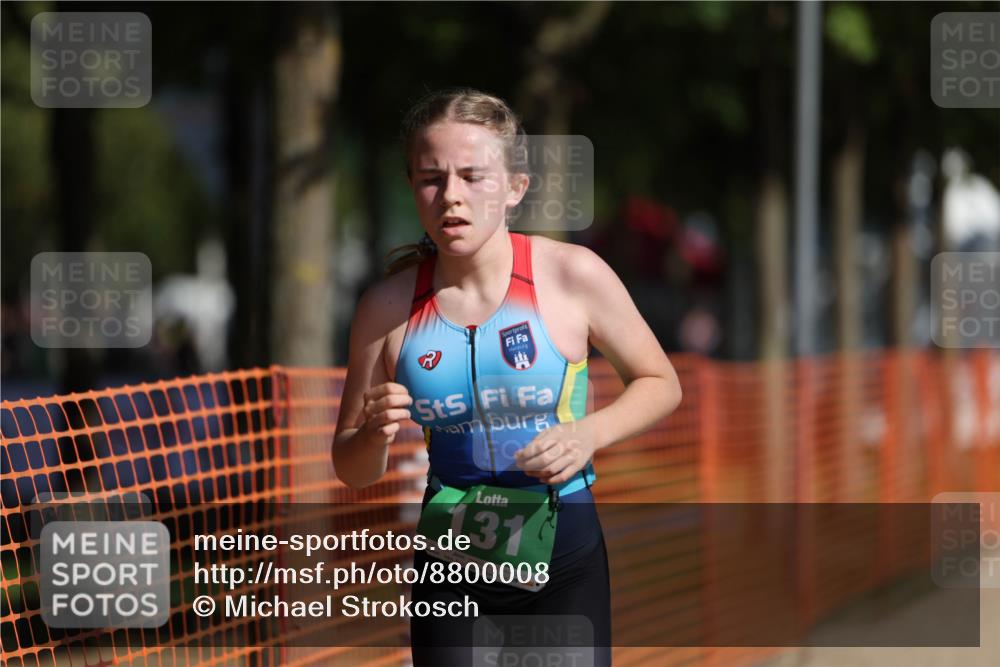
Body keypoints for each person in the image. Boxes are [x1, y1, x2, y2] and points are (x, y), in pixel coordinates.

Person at [332, 88, 682, 666]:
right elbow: (352, 468)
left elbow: (660, 382)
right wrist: (373, 434)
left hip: (562, 552)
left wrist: (589, 434)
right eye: (430, 178)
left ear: (516, 187)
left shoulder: (572, 275)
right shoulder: (387, 308)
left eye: (474, 176)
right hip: (451, 565)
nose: (452, 197)